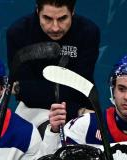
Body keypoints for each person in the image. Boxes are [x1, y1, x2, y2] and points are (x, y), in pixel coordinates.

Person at [6, 0, 100, 129]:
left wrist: (23, 89)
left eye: (62, 18)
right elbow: (27, 95)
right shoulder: (18, 33)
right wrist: (24, 90)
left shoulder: (88, 32)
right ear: (37, 11)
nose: (55, 27)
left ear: (72, 12)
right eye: (47, 18)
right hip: (32, 110)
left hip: (80, 109)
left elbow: (80, 88)